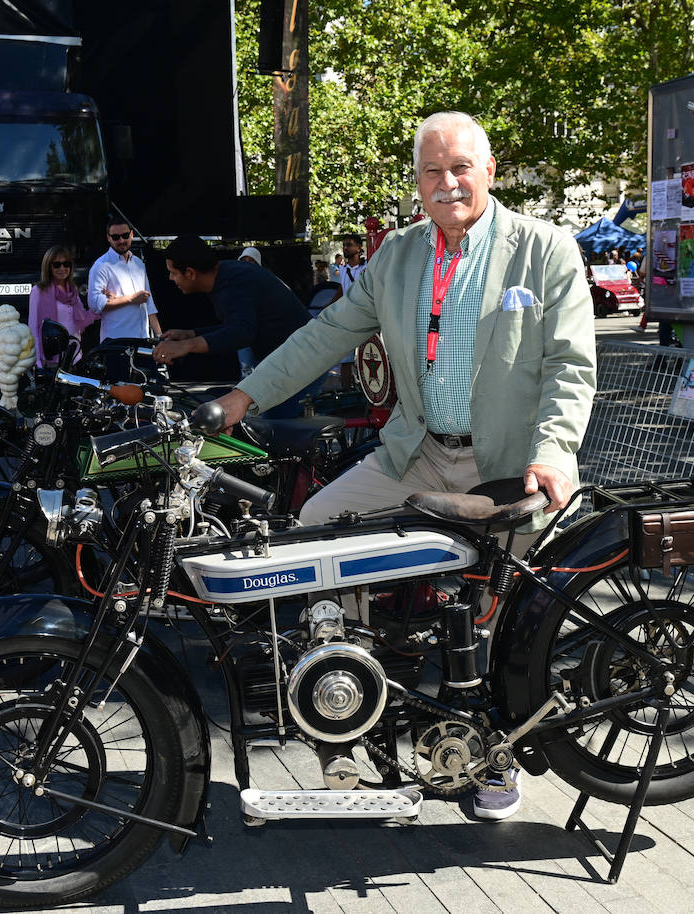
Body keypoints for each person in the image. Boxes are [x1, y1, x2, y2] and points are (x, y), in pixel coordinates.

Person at [208, 112, 597, 820]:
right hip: (415, 454)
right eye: (431, 170)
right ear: (416, 181)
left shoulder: (544, 250)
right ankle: (353, 702)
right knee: (315, 529)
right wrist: (242, 396)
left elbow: (570, 366)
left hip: (506, 469)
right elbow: (324, 333)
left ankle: (493, 766)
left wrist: (552, 450)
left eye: (460, 168)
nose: (447, 183)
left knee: (496, 625)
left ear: (490, 171)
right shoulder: (400, 254)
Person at [155, 236, 320, 418]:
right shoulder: (226, 276)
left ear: (190, 273)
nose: (170, 278)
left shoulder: (233, 283)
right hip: (289, 361)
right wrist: (190, 335)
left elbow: (242, 333)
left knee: (272, 432)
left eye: (173, 272)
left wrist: (187, 345)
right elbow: (235, 326)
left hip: (302, 362)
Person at [87, 220, 159, 343]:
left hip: (143, 339)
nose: (121, 241)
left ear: (132, 234)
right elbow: (94, 303)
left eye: (125, 235)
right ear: (108, 238)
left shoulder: (138, 263)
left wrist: (159, 336)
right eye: (115, 237)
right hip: (116, 342)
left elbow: (149, 304)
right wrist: (130, 299)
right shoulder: (101, 266)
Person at [28, 245, 95, 368]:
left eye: (66, 264)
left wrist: (101, 306)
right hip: (51, 358)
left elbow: (83, 320)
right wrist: (37, 361)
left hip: (74, 355)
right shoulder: (38, 291)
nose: (62, 268)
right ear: (49, 266)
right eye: (57, 264)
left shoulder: (73, 290)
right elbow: (34, 328)